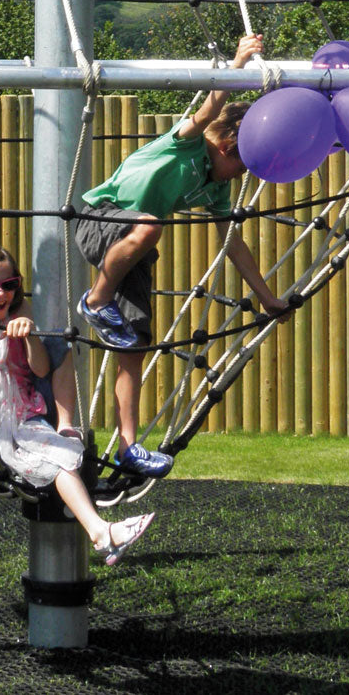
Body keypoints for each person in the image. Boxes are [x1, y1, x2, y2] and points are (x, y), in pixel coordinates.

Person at [73, 34, 290, 478]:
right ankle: (95, 301)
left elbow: (234, 244)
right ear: (228, 145)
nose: (242, 174)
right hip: (99, 217)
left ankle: (129, 447)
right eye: (243, 164)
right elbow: (209, 110)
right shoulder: (187, 143)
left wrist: (267, 297)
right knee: (151, 224)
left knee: (133, 343)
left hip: (133, 245)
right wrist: (237, 66)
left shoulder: (217, 186)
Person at [0, 243, 155, 566]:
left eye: (8, 285)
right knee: (62, 461)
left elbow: (41, 370)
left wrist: (30, 336)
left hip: (32, 413)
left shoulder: (23, 315)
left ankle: (66, 427)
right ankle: (101, 532)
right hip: (2, 430)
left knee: (59, 343)